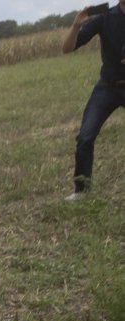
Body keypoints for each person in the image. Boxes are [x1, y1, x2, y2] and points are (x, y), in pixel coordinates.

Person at [62, 1, 125, 202]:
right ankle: (82, 190)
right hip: (108, 86)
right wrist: (76, 26)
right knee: (85, 138)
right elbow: (67, 49)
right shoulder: (105, 17)